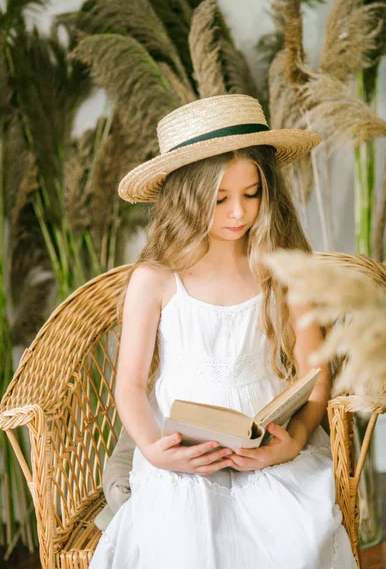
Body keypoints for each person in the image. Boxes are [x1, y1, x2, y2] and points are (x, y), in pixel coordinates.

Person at [89, 94, 357, 568]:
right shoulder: (154, 280)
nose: (238, 213)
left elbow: (315, 373)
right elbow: (128, 385)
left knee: (293, 545)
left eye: (251, 194)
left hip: (265, 449)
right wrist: (155, 451)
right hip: (184, 457)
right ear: (187, 197)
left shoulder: (283, 270)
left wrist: (292, 443)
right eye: (219, 199)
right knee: (185, 549)